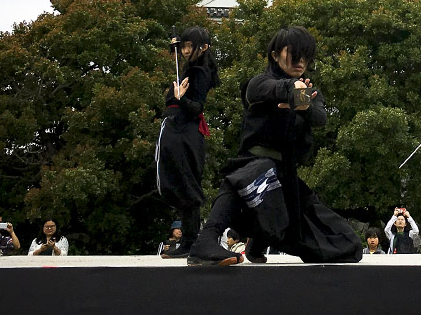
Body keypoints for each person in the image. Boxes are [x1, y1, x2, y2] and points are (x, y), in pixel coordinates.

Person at [186, 26, 364, 265]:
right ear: (275, 55)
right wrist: (290, 90)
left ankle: (259, 241)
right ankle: (206, 239)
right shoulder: (259, 84)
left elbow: (321, 116)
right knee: (253, 173)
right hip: (254, 169)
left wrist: (304, 106)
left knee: (347, 245)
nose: (301, 61)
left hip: (287, 180)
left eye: (306, 56)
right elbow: (265, 90)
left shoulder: (309, 92)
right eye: (294, 54)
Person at [156, 25, 219, 258]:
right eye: (183, 46)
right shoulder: (191, 70)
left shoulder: (199, 73)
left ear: (203, 48)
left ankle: (190, 240)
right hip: (177, 129)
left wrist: (178, 98)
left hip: (184, 131)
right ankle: (189, 240)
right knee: (178, 182)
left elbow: (196, 108)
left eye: (190, 46)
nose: (185, 50)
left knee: (186, 184)